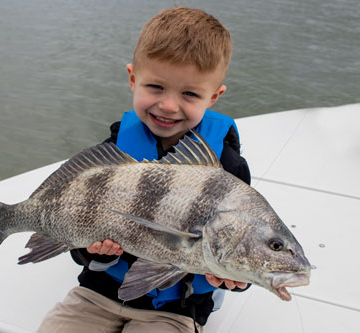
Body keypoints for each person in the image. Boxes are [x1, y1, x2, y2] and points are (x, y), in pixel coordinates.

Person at [39, 7, 251, 333]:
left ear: (214, 97)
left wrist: (236, 278)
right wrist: (93, 250)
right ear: (133, 79)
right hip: (98, 293)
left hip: (175, 308)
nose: (168, 105)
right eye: (155, 87)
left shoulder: (229, 170)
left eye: (190, 94)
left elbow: (242, 248)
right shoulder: (112, 153)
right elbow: (79, 226)